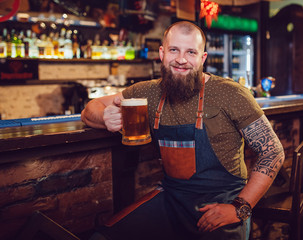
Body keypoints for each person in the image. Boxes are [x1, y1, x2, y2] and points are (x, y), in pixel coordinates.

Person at [82, 21, 285, 240]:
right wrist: (105, 117)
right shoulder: (147, 92)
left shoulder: (230, 94)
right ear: (162, 53)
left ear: (202, 58)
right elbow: (90, 109)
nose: (181, 59)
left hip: (222, 201)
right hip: (171, 198)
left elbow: (272, 151)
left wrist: (239, 208)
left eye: (190, 52)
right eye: (174, 50)